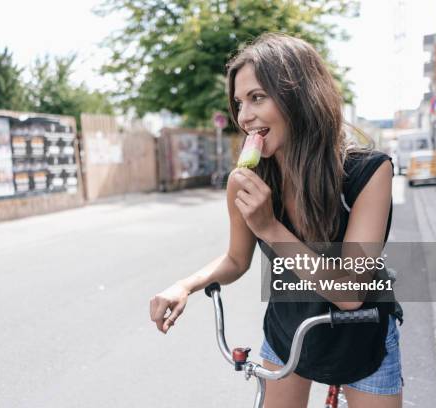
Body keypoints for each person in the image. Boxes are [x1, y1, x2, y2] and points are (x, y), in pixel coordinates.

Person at [150, 33, 403, 408]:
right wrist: (184, 286)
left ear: (299, 97)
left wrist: (270, 227)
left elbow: (351, 294)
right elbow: (236, 260)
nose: (244, 116)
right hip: (289, 332)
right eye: (239, 102)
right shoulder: (246, 180)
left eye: (257, 98)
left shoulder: (368, 172)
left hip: (360, 335)